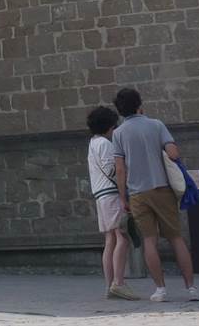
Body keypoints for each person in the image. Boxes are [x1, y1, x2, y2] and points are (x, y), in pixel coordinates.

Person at [110, 87, 199, 303]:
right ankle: (191, 288)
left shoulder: (119, 133)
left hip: (138, 193)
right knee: (176, 238)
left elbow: (120, 169)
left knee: (150, 240)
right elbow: (173, 153)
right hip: (162, 188)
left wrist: (123, 198)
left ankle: (160, 289)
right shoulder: (156, 124)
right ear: (140, 103)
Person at [86, 106, 138, 300]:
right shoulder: (106, 144)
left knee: (110, 240)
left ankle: (110, 285)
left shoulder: (93, 143)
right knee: (122, 237)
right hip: (111, 194)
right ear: (109, 126)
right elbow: (112, 170)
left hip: (101, 194)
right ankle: (119, 282)